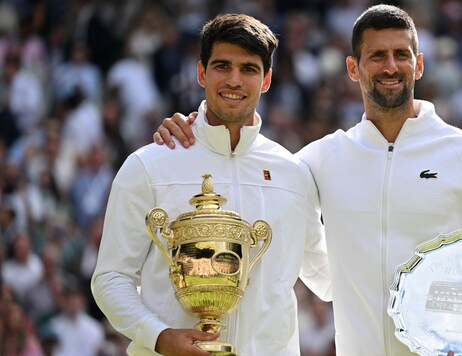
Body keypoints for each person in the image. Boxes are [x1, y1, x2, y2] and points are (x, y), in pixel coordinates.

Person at [155, 5, 462, 355]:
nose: (390, 66)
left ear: (419, 64)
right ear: (353, 68)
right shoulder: (317, 160)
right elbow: (242, 165)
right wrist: (197, 134)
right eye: (377, 56)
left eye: (401, 54)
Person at [92, 13, 330, 356]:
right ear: (201, 73)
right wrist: (159, 337)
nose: (234, 80)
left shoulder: (293, 174)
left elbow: (326, 277)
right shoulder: (149, 164)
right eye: (222, 66)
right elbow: (111, 278)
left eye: (248, 69)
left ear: (266, 81)